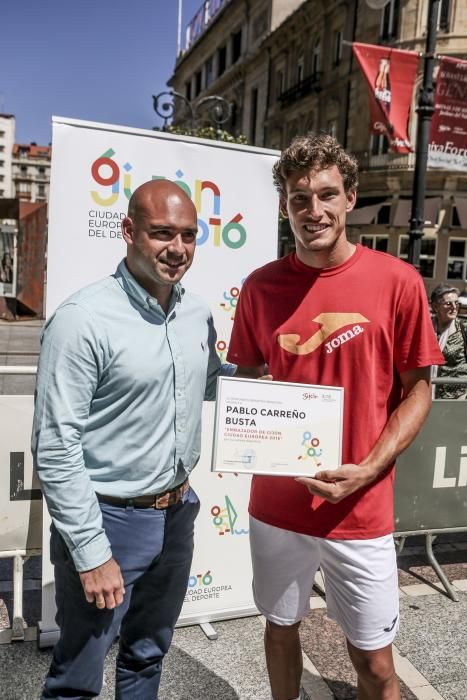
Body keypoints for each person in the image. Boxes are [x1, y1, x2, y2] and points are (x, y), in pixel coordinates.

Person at [227, 134, 444, 700]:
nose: (314, 211)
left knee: (373, 662)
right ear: (284, 207)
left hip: (361, 506)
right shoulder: (260, 287)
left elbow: (418, 391)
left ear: (350, 198)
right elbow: (246, 378)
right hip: (278, 502)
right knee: (280, 630)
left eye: (327, 195)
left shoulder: (397, 281)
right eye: (300, 199)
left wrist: (370, 468)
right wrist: (249, 427)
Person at [32, 179, 233, 699]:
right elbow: (56, 447)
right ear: (128, 231)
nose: (178, 249)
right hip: (109, 519)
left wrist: (270, 386)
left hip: (176, 513)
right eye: (162, 233)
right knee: (76, 678)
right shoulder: (83, 320)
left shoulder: (195, 313)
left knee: (147, 656)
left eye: (189, 235)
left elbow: (206, 381)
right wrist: (91, 550)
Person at [430, 283, 467, 399]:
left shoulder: (463, 329)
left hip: (457, 398)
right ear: (436, 307)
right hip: (427, 396)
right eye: (448, 304)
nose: (454, 307)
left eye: (456, 303)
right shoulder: (425, 328)